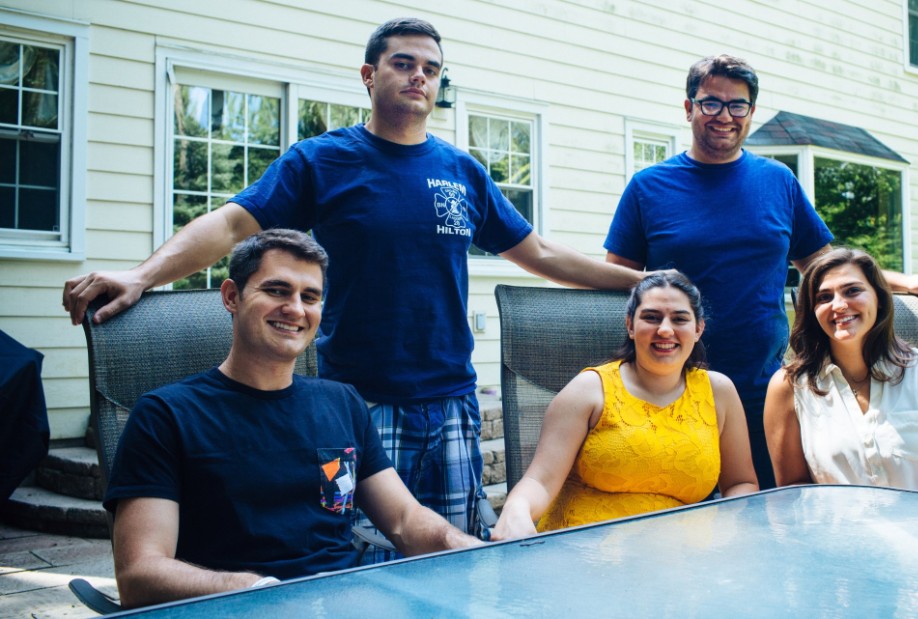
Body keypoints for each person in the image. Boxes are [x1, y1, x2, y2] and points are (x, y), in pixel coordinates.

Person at [64, 17, 647, 543]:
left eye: (431, 69)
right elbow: (232, 223)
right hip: (355, 404)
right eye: (403, 63)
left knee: (451, 548)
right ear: (370, 76)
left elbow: (540, 252)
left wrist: (640, 284)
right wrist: (142, 275)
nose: (419, 76)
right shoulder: (322, 160)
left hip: (449, 402)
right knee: (355, 549)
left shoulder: (461, 170)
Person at [603, 54, 918, 490]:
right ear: (688, 107)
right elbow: (617, 282)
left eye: (738, 106)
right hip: (671, 385)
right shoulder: (647, 186)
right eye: (711, 103)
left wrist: (902, 282)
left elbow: (824, 266)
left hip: (762, 386)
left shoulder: (778, 181)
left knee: (765, 509)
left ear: (751, 112)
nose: (724, 116)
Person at [103, 229, 481, 609]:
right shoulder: (165, 415)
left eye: (310, 297)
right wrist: (258, 590)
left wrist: (459, 544)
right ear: (232, 296)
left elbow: (403, 519)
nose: (296, 309)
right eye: (277, 291)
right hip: (233, 609)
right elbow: (139, 574)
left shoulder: (342, 402)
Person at [491, 272, 759, 540]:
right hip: (582, 554)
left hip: (679, 561)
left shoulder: (718, 392)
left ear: (698, 328)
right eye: (651, 317)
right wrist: (517, 508)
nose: (665, 329)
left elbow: (741, 483)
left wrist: (725, 527)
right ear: (630, 325)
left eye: (679, 319)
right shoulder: (589, 389)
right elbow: (540, 481)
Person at [762, 248, 918, 497]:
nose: (840, 305)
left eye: (852, 291)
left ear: (879, 297)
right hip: (835, 534)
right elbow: (793, 491)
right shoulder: (788, 386)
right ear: (813, 312)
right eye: (824, 297)